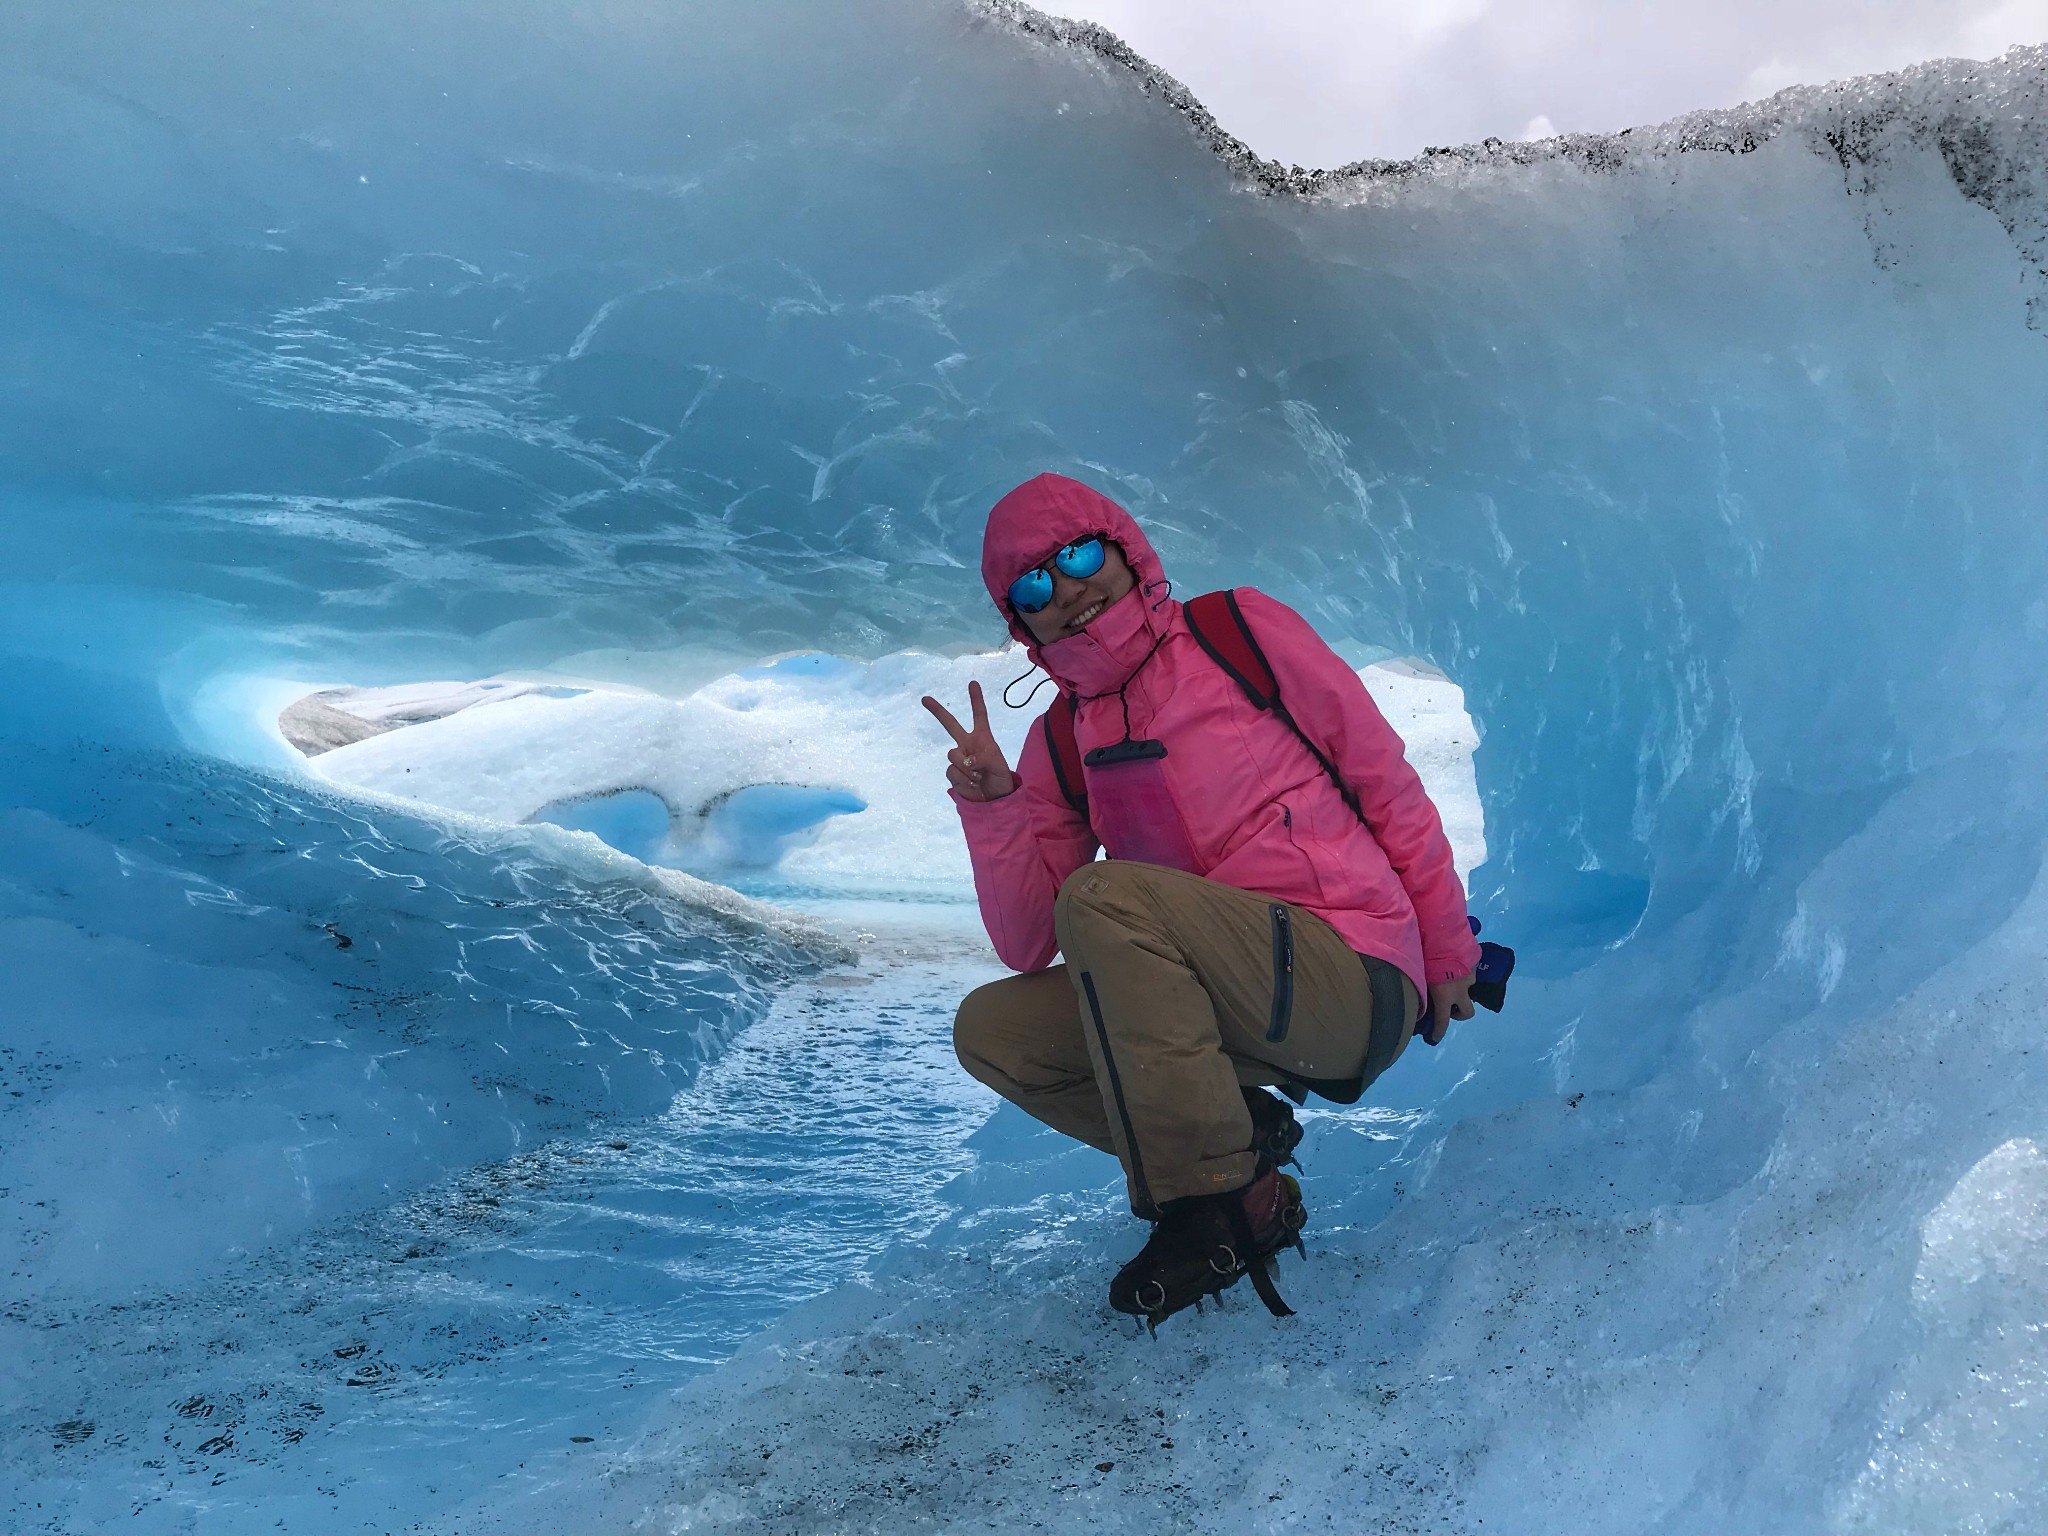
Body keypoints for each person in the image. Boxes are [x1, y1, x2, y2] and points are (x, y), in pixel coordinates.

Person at [922, 473, 1478, 1328]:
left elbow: (1385, 785)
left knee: (1105, 896)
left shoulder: (1238, 631)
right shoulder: (1062, 737)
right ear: (1018, 620)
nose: (1066, 590)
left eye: (1077, 556)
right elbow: (1030, 941)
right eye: (1035, 585)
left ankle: (1204, 1206)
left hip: (1351, 970)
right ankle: (1241, 1175)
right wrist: (994, 808)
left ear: (1123, 547)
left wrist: (1446, 952)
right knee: (995, 1032)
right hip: (1233, 1006)